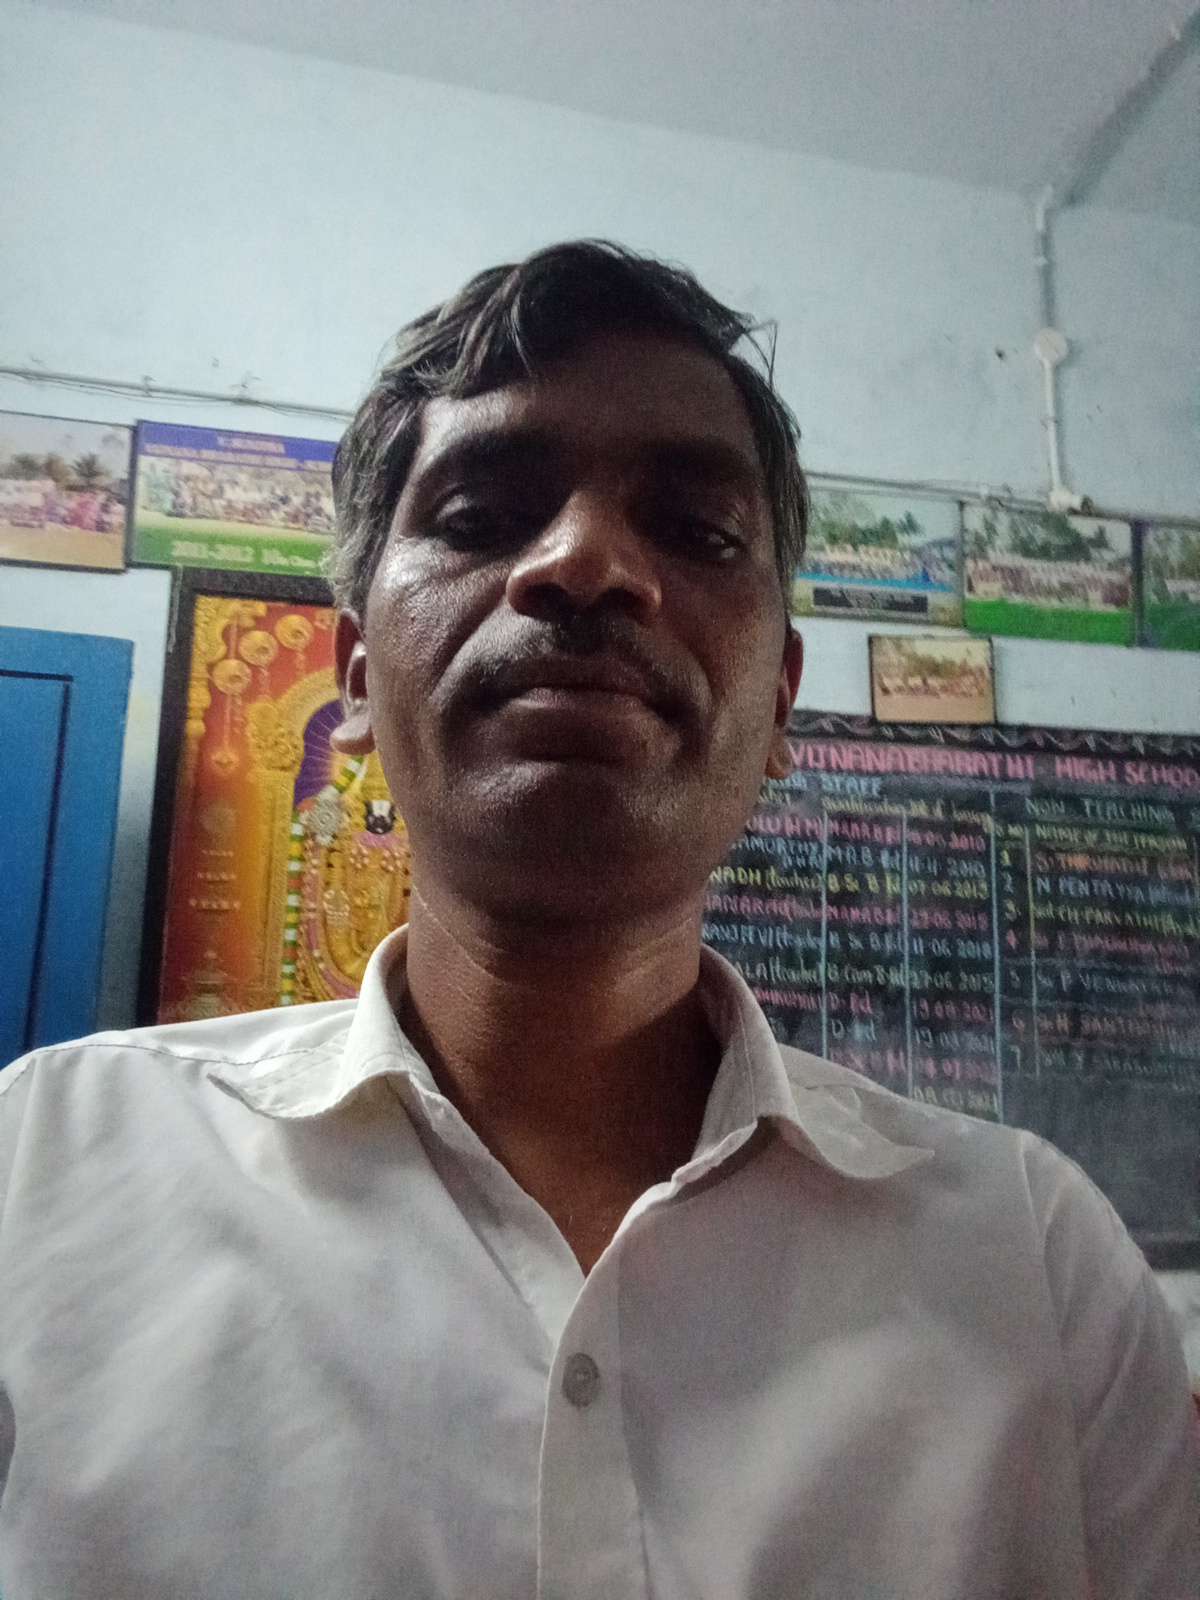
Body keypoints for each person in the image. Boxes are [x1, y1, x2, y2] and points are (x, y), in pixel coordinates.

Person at [0, 241, 1195, 1600]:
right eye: (480, 514)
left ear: (780, 701)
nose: (584, 563)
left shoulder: (1034, 1265)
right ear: (355, 673)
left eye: (697, 532)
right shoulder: (41, 1176)